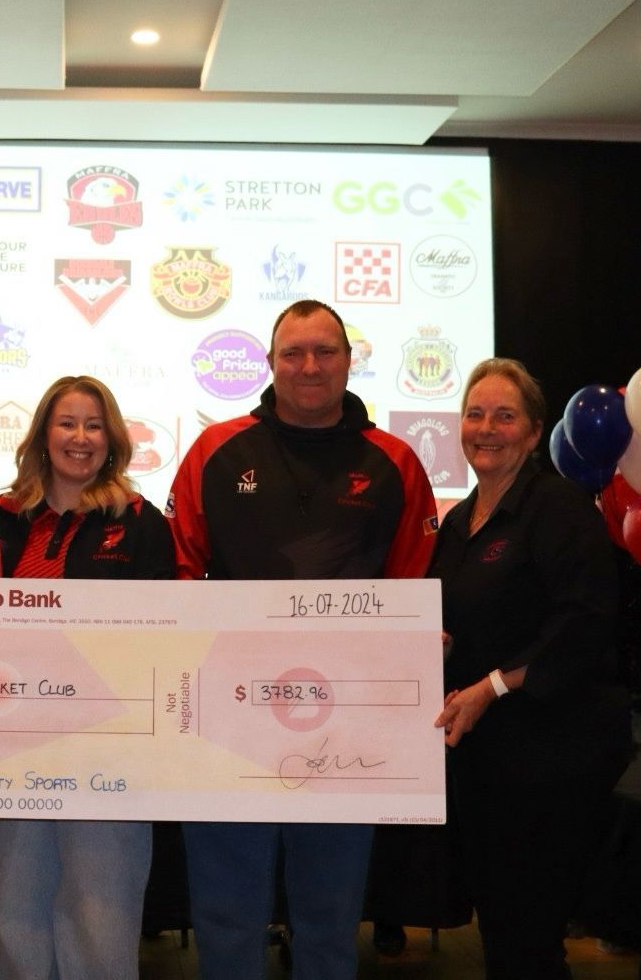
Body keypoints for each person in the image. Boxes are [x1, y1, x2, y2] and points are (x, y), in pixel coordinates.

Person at [166, 299, 439, 979]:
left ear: (349, 360)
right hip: (229, 722)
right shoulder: (214, 451)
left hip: (347, 730)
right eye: (294, 353)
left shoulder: (395, 461)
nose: (309, 367)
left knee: (329, 922)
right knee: (227, 921)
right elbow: (174, 575)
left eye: (325, 352)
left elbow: (417, 586)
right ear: (270, 364)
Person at [430, 358, 631, 979]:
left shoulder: (560, 509)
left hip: (553, 760)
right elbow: (455, 621)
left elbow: (584, 623)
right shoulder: (461, 521)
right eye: (474, 414)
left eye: (504, 416)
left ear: (534, 430)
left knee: (530, 937)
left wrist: (493, 684)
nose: (486, 428)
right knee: (504, 929)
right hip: (486, 763)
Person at [0, 375, 175, 980]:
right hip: (11, 747)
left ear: (112, 438)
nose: (81, 437)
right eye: (67, 423)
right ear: (43, 434)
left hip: (108, 749)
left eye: (94, 425)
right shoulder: (0, 519)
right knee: (15, 913)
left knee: (102, 916)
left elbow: (167, 638)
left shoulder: (143, 522)